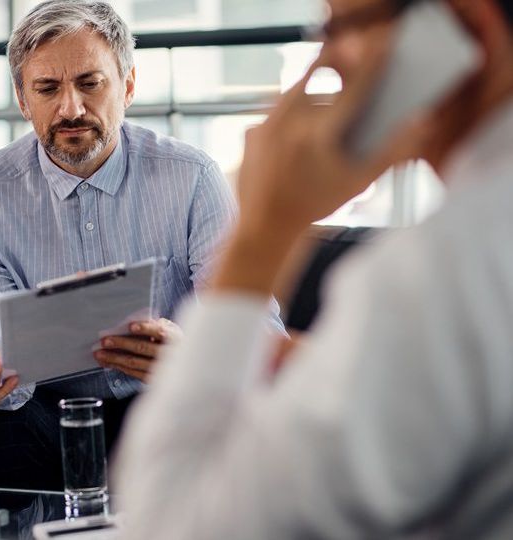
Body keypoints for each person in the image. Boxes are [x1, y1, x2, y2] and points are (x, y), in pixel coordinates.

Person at [115, 0, 513, 537]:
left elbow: (167, 523)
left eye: (343, 26)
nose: (328, 65)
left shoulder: (438, 270)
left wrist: (262, 233)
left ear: (466, 30)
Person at [0, 0, 283, 490]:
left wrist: (193, 355)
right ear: (22, 100)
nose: (71, 109)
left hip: (170, 401)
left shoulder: (192, 177)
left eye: (90, 83)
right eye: (47, 89)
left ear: (126, 86)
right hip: (50, 412)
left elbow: (256, 326)